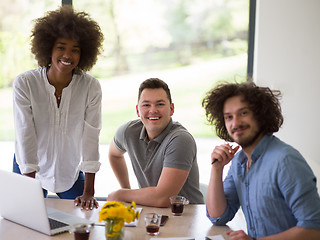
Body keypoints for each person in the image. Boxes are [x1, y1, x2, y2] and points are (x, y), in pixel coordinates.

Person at [202, 81, 320, 239]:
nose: (235, 123)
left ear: (260, 114)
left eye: (243, 113)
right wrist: (217, 169)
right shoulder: (239, 161)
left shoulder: (285, 160)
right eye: (229, 117)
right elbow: (218, 216)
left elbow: (314, 229)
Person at [13, 6, 104, 210]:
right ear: (48, 48)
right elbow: (24, 133)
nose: (67, 55)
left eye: (75, 49)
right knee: (23, 220)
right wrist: (29, 187)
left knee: (84, 219)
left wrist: (89, 191)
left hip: (68, 170)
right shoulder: (25, 83)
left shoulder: (91, 87)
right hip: (28, 167)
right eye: (61, 47)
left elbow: (91, 137)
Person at [107, 78, 204, 207]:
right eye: (146, 105)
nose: (153, 110)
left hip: (186, 216)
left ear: (172, 108)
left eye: (160, 104)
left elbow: (164, 198)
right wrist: (126, 188)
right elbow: (114, 154)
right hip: (151, 213)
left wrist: (121, 194)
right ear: (137, 110)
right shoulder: (128, 132)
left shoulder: (181, 140)